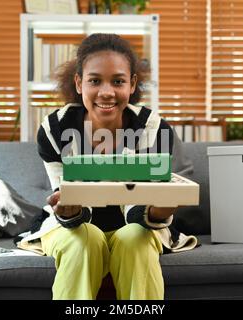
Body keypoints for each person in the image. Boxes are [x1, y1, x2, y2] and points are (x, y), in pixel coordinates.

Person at [30, 33, 197, 300]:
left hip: (137, 226)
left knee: (135, 240)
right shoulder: (54, 129)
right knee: (83, 241)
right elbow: (67, 201)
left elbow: (136, 210)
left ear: (131, 85)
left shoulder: (152, 130)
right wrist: (68, 207)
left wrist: (158, 209)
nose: (106, 92)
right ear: (79, 82)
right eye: (95, 81)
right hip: (73, 226)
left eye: (118, 81)